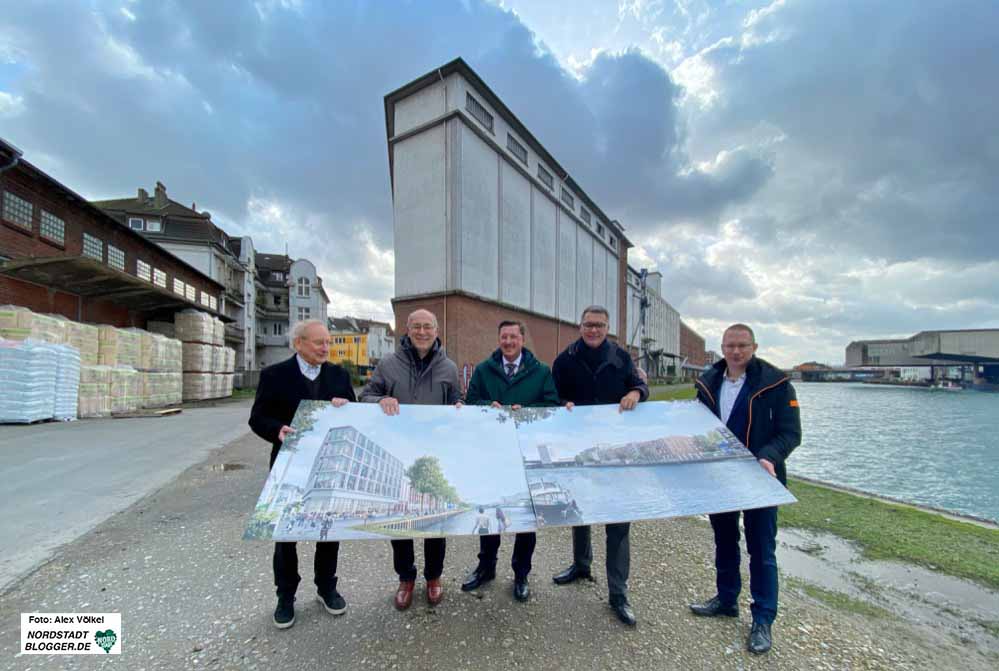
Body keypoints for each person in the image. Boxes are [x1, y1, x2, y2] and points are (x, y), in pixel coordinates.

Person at [690, 323, 802, 654]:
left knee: (761, 550)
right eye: (729, 346)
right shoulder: (708, 382)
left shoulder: (777, 382)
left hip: (761, 479)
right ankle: (726, 600)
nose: (735, 352)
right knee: (724, 540)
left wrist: (769, 456)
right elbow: (698, 429)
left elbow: (790, 433)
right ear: (722, 348)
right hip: (720, 478)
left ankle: (763, 619)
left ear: (754, 346)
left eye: (742, 345)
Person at [248, 319, 355, 630]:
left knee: (328, 531)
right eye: (318, 342)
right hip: (289, 464)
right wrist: (275, 430)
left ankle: (326, 587)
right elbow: (258, 417)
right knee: (286, 535)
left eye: (328, 343)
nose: (325, 348)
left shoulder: (338, 375)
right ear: (298, 344)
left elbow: (353, 411)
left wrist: (345, 405)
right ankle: (286, 596)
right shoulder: (275, 375)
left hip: (328, 466)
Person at [550, 306, 648, 626]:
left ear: (608, 328)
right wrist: (560, 404)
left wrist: (635, 391)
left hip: (616, 452)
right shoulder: (564, 360)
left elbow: (641, 387)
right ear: (580, 326)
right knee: (580, 510)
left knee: (618, 521)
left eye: (600, 325)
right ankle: (581, 565)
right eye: (588, 324)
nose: (593, 330)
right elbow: (552, 397)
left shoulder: (621, 358)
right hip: (578, 449)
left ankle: (618, 593)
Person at [360, 308, 461, 610]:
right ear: (406, 329)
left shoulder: (449, 368)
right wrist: (381, 400)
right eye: (416, 326)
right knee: (399, 519)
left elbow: (458, 401)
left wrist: (459, 408)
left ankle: (433, 577)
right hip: (399, 453)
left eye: (427, 326)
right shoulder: (388, 365)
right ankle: (406, 577)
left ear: (436, 330)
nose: (421, 331)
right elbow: (364, 396)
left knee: (435, 519)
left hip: (434, 455)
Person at [460, 319, 559, 602]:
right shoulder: (483, 370)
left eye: (513, 337)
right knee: (490, 513)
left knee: (526, 519)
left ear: (522, 340)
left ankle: (521, 573)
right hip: (492, 454)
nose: (509, 342)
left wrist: (527, 410)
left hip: (525, 455)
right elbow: (470, 403)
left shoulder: (540, 372)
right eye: (504, 337)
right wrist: (486, 407)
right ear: (499, 339)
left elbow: (551, 405)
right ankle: (486, 567)